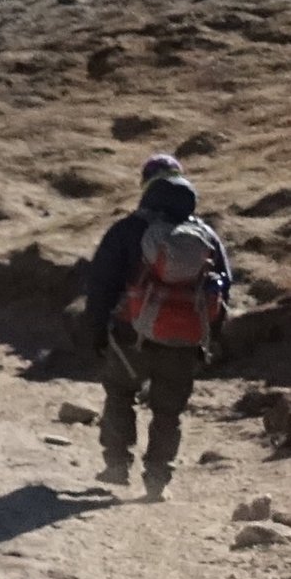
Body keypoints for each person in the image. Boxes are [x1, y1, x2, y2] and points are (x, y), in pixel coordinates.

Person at [80, 154, 234, 499]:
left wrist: (95, 334)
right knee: (169, 412)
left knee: (120, 395)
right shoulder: (205, 235)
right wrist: (210, 337)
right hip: (184, 341)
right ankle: (157, 480)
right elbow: (224, 288)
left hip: (129, 335)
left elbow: (101, 285)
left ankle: (117, 465)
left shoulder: (127, 230)